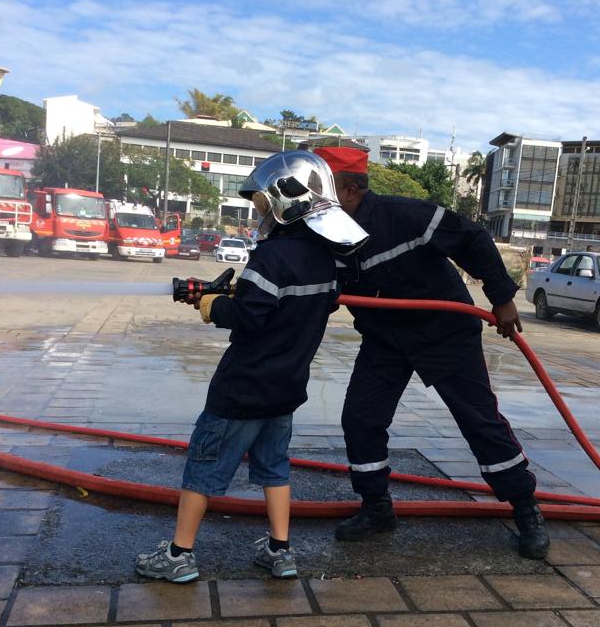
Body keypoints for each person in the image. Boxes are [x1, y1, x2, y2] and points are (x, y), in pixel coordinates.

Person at [135, 151, 368, 583]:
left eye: (262, 204)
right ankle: (281, 551)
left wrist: (212, 305)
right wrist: (234, 295)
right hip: (285, 389)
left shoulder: (270, 257)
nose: (260, 211)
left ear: (287, 200)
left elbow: (250, 317)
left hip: (240, 390)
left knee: (203, 466)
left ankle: (178, 554)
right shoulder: (328, 260)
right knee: (275, 468)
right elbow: (289, 305)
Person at [315, 146, 550, 559]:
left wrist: (501, 298)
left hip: (445, 333)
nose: (313, 201)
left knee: (478, 420)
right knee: (360, 418)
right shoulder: (329, 233)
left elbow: (472, 238)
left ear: (350, 190)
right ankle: (376, 508)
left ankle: (526, 508)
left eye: (321, 189)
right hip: (385, 338)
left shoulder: (404, 215)